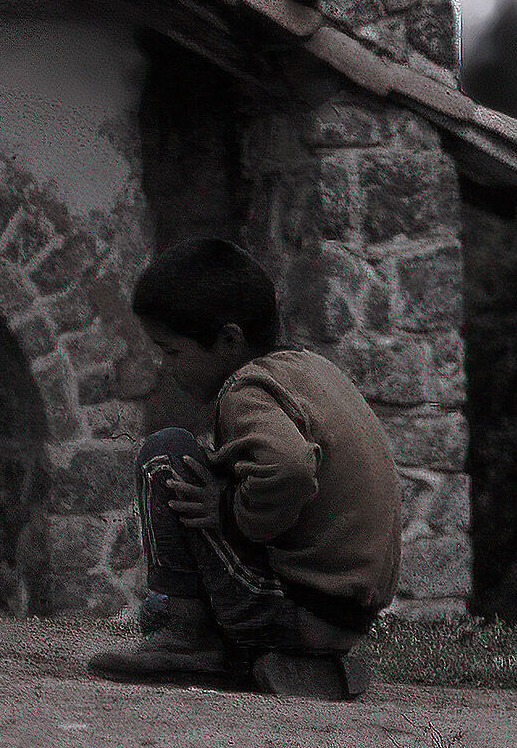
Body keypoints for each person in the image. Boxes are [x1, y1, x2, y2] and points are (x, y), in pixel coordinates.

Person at [88, 237, 400, 700]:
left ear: (229, 339)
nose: (166, 368)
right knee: (220, 472)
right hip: (345, 619)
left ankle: (187, 639)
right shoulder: (313, 370)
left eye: (173, 352)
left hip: (296, 611)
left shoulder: (245, 389)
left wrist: (231, 511)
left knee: (165, 455)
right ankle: (287, 666)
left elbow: (291, 468)